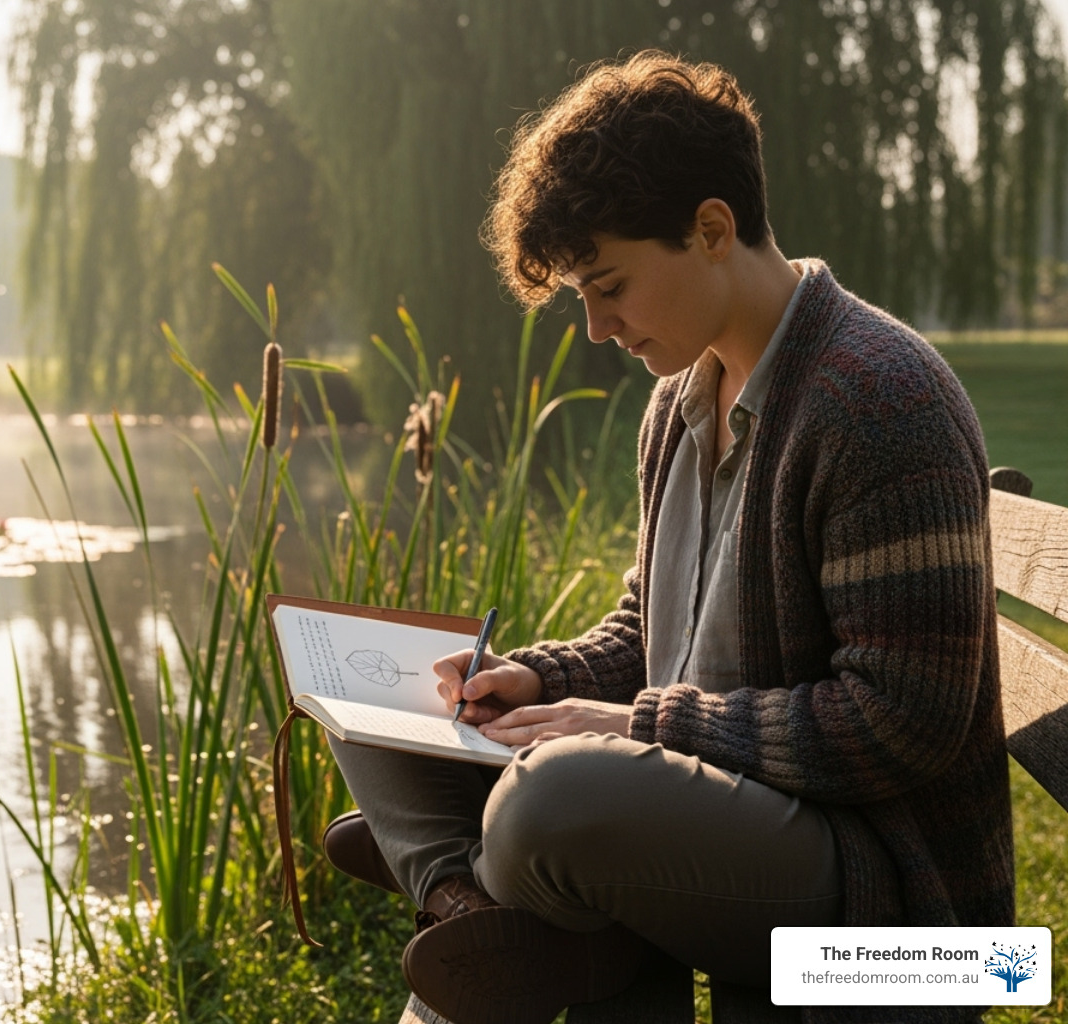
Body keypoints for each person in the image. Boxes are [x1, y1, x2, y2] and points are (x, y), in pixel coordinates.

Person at [320, 50, 1011, 1024]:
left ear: (712, 229)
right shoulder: (676, 404)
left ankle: (504, 905)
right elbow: (653, 627)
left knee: (546, 805)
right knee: (366, 689)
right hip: (720, 827)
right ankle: (471, 904)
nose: (598, 328)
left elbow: (898, 721)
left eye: (611, 286)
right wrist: (542, 679)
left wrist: (635, 727)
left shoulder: (877, 399)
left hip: (898, 934)